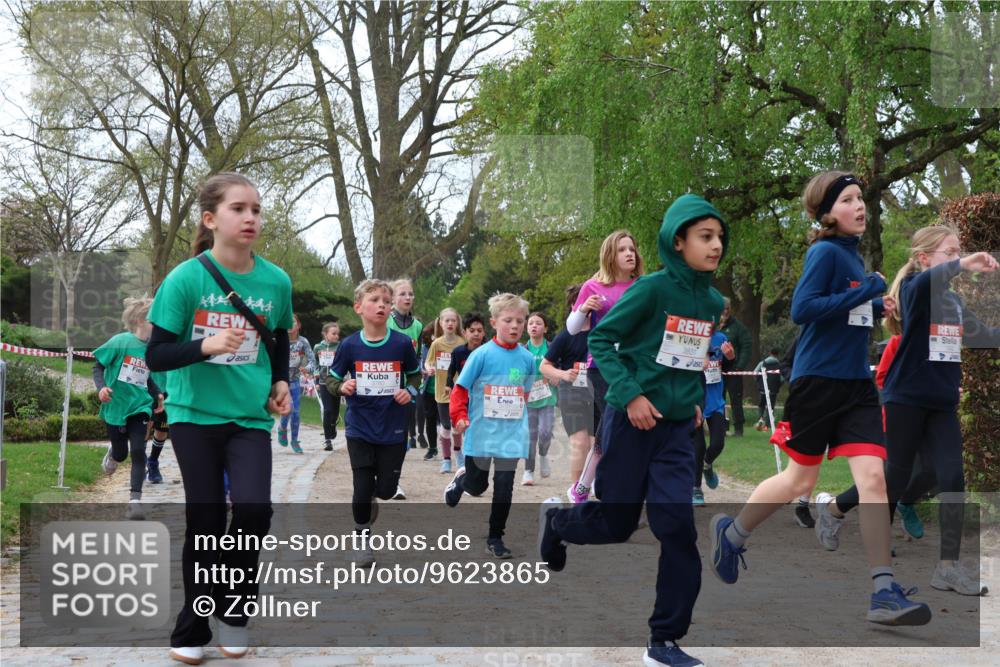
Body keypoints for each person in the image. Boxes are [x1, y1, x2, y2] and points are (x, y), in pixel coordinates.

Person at [708, 171, 932, 627]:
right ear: (827, 212)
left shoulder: (853, 255)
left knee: (875, 479)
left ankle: (883, 590)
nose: (859, 205)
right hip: (818, 383)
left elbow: (842, 309)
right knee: (799, 482)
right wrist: (868, 290)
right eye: (847, 199)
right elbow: (803, 309)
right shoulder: (826, 252)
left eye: (860, 198)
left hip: (856, 386)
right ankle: (732, 535)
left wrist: (873, 306)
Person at [539, 194, 728, 667]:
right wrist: (630, 396)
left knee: (677, 529)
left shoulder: (712, 301)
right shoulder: (650, 290)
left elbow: (689, 358)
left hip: (676, 433)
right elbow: (602, 339)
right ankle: (558, 523)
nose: (716, 245)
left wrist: (692, 402)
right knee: (617, 524)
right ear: (677, 241)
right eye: (705, 236)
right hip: (630, 422)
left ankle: (663, 641)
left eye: (720, 237)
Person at [146, 172, 293, 664]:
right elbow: (156, 355)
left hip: (249, 418)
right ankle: (193, 624)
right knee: (206, 519)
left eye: (256, 209)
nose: (250, 217)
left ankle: (234, 611)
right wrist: (205, 345)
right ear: (210, 219)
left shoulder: (276, 281)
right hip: (194, 416)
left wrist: (279, 381)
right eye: (238, 208)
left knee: (253, 510)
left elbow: (278, 338)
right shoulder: (185, 279)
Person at [813, 226, 998, 596]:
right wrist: (963, 263)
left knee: (951, 478)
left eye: (958, 251)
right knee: (892, 479)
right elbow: (930, 281)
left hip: (942, 404)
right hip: (906, 400)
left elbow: (982, 336)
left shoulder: (954, 303)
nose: (957, 257)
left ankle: (947, 569)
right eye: (949, 252)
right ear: (924, 258)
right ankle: (850, 531)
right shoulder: (914, 289)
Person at [326, 279, 422, 566]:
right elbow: (331, 379)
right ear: (359, 307)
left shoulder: (401, 344)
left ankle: (375, 498)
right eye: (375, 300)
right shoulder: (349, 345)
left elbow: (416, 375)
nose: (382, 305)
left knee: (387, 490)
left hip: (393, 427)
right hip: (360, 427)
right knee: (362, 486)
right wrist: (342, 387)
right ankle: (362, 541)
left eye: (386, 301)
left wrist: (410, 391)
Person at [444, 293, 536, 559]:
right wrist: (459, 417)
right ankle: (461, 481)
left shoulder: (528, 359)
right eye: (508, 320)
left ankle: (495, 538)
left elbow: (524, 394)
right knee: (477, 487)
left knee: (504, 486)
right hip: (481, 433)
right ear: (494, 323)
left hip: (511, 435)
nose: (515, 326)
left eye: (520, 321)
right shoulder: (481, 355)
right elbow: (460, 389)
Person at [565, 230, 644, 502]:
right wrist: (584, 308)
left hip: (635, 366)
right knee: (611, 424)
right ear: (610, 255)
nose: (629, 254)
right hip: (602, 366)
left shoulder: (643, 286)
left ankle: (600, 486)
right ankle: (586, 487)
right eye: (622, 249)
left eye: (632, 249)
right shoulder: (593, 286)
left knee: (627, 428)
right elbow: (572, 328)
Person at [94, 296, 163, 520]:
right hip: (116, 405)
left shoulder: (152, 349)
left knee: (138, 451)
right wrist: (101, 388)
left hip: (140, 407)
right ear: (141, 320)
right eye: (155, 320)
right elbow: (98, 366)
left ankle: (135, 501)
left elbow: (146, 377)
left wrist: (157, 395)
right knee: (122, 454)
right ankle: (113, 454)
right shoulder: (121, 341)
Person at [540, 285, 593, 487]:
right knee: (580, 442)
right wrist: (563, 374)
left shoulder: (603, 332)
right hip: (572, 393)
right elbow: (544, 366)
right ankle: (577, 490)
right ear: (573, 306)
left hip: (598, 393)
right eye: (581, 302)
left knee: (597, 444)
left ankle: (593, 484)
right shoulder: (566, 335)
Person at [387, 278, 423, 499]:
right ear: (392, 299)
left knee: (401, 438)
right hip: (384, 386)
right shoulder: (385, 322)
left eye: (410, 294)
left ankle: (394, 482)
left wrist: (415, 385)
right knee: (383, 435)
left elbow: (416, 358)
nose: (408, 297)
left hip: (407, 388)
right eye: (402, 294)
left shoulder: (417, 326)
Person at [693, 331, 735, 506]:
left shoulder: (721, 338)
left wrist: (730, 358)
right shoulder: (692, 333)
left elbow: (728, 368)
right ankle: (696, 488)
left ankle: (707, 464)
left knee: (718, 443)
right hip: (695, 399)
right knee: (698, 447)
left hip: (715, 400)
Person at [445, 311, 488, 471]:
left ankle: (476, 458)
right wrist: (448, 385)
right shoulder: (458, 352)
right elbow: (451, 370)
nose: (476, 334)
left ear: (484, 332)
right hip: (463, 396)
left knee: (478, 429)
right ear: (464, 332)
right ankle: (461, 455)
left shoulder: (488, 351)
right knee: (462, 427)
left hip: (483, 398)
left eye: (479, 331)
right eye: (472, 330)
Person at [425, 308, 466, 472]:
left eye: (453, 320)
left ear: (457, 323)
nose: (450, 323)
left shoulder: (462, 343)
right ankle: (446, 459)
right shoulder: (437, 343)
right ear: (441, 323)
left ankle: (458, 455)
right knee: (446, 426)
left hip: (459, 392)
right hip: (441, 391)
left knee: (457, 426)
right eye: (446, 320)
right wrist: (429, 368)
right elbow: (428, 361)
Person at [523, 311, 557, 486]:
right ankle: (528, 470)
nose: (534, 326)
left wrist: (556, 377)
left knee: (545, 432)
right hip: (528, 400)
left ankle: (543, 455)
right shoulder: (522, 350)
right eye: (531, 323)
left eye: (538, 323)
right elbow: (515, 372)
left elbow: (559, 368)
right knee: (530, 436)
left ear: (545, 328)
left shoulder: (552, 348)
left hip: (548, 398)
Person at [278, 314, 317, 453]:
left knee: (296, 412)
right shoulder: (279, 340)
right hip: (281, 381)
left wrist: (307, 369)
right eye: (287, 322)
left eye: (293, 322)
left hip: (295, 381)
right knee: (289, 407)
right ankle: (282, 428)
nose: (290, 325)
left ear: (298, 325)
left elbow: (312, 361)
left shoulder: (303, 342)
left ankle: (294, 440)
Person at [719, 297, 751, 437]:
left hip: (733, 369)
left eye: (728, 309)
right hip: (716, 369)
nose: (725, 312)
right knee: (718, 399)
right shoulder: (714, 325)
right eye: (723, 309)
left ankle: (739, 428)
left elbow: (746, 346)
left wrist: (739, 366)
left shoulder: (738, 327)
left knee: (736, 399)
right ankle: (720, 427)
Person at [314, 322, 342, 451]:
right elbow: (315, 362)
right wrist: (315, 373)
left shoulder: (340, 347)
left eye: (337, 334)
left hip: (336, 383)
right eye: (333, 333)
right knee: (327, 410)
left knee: (335, 411)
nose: (336, 336)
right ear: (325, 334)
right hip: (323, 382)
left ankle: (333, 425)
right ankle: (327, 440)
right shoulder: (318, 347)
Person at [752, 347, 783, 430]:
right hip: (773, 390)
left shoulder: (762, 363)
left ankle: (760, 419)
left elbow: (755, 373)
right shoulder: (780, 365)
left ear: (770, 353)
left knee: (761, 405)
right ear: (778, 355)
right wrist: (778, 385)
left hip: (762, 389)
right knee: (770, 407)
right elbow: (782, 379)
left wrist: (758, 382)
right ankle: (767, 425)